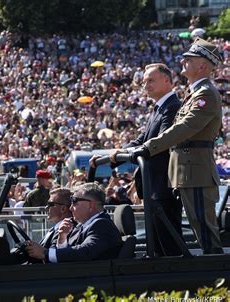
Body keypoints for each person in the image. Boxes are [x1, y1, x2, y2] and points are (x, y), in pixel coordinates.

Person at [132, 38, 224, 254]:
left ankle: (218, 281)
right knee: (198, 230)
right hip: (187, 172)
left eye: (189, 59)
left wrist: (148, 147)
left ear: (202, 65)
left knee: (205, 234)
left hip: (197, 171)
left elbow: (184, 128)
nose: (183, 61)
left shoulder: (206, 94)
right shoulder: (193, 93)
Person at [94, 63, 183, 256]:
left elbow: (160, 142)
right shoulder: (158, 108)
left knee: (169, 244)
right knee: (158, 244)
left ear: (167, 81)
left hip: (164, 184)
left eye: (151, 80)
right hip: (153, 186)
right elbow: (142, 140)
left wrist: (125, 154)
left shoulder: (173, 107)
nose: (146, 85)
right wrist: (117, 155)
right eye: (144, 81)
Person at [25, 182, 122, 262]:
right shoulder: (81, 225)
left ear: (91, 205)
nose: (70, 208)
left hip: (90, 281)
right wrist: (62, 238)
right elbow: (68, 253)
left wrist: (45, 253)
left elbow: (86, 251)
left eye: (74, 201)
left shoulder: (101, 224)